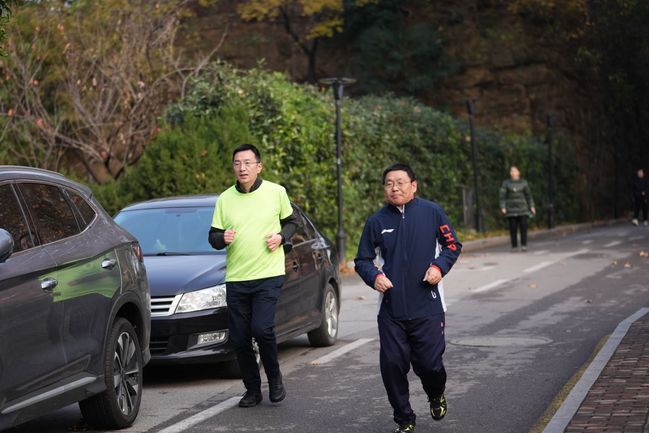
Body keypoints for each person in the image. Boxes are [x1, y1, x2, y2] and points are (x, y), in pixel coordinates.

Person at [355, 163, 462, 433]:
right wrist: (374, 277)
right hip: (391, 309)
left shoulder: (432, 212)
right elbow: (362, 260)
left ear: (413, 185)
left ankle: (435, 394)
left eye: (400, 182)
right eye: (389, 183)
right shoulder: (377, 221)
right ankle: (404, 418)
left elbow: (452, 245)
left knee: (430, 365)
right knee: (392, 366)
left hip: (428, 304)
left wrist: (438, 267)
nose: (394, 188)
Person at [208, 144, 297, 407]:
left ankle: (275, 378)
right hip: (237, 277)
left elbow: (292, 222)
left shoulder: (276, 192)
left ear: (259, 166)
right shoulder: (225, 199)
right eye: (237, 163)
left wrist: (281, 237)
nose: (242, 168)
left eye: (247, 163)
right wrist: (222, 238)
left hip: (268, 274)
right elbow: (213, 237)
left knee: (262, 328)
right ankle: (252, 389)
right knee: (239, 337)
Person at [499, 166, 536, 252]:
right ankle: (514, 246)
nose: (512, 173)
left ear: (518, 172)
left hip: (523, 209)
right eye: (511, 171)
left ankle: (524, 245)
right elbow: (502, 196)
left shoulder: (524, 182)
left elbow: (528, 196)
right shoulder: (506, 183)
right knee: (513, 228)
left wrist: (532, 206)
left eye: (514, 171)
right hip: (511, 209)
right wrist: (503, 207)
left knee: (523, 227)